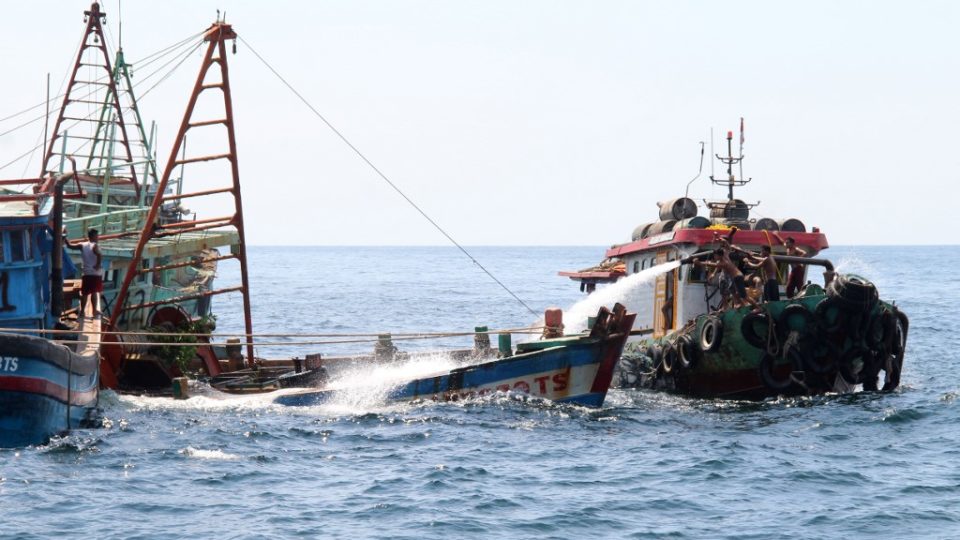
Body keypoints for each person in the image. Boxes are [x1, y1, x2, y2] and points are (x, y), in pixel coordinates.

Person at [65, 228, 103, 317]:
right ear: (93, 236)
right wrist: (97, 265)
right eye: (97, 236)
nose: (98, 238)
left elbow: (70, 246)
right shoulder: (95, 245)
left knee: (85, 293)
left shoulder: (82, 245)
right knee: (94, 292)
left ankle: (82, 312)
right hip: (95, 273)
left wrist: (65, 238)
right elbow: (99, 254)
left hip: (86, 272)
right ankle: (94, 311)